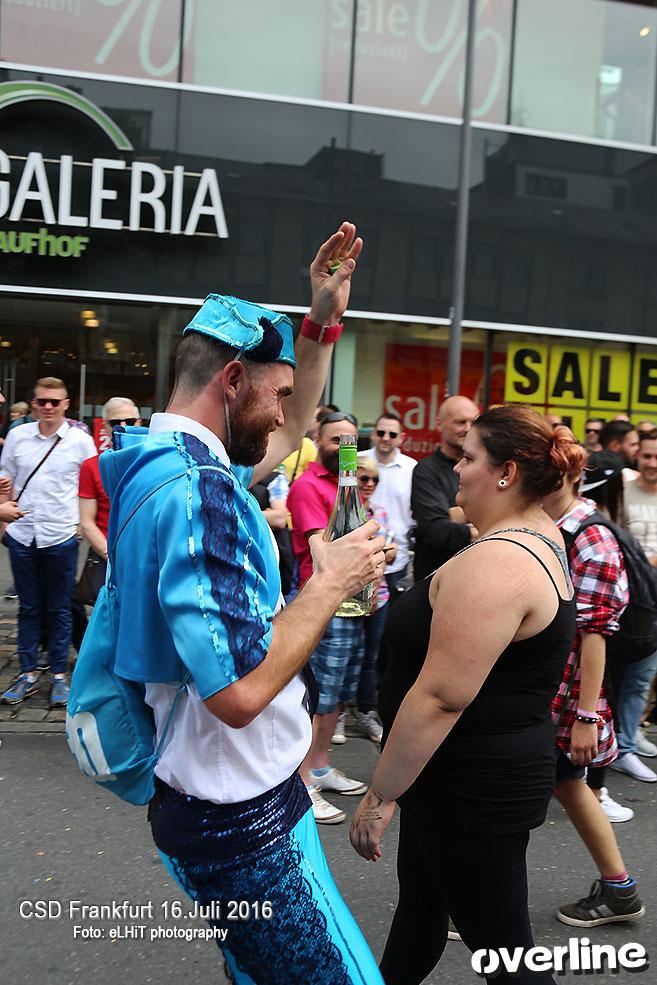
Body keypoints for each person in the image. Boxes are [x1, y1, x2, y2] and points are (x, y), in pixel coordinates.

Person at [98, 223, 386, 984]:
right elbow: (239, 691)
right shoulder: (200, 494)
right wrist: (330, 580)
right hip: (241, 826)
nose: (288, 417)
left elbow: (286, 425)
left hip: (222, 802)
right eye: (275, 390)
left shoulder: (153, 460)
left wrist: (319, 321)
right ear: (231, 379)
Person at [350, 404, 577, 985]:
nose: (456, 471)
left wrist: (380, 796)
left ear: (505, 474)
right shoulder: (526, 538)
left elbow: (441, 697)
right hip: (456, 777)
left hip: (471, 787)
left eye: (469, 458)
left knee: (508, 958)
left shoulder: (500, 560)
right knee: (422, 912)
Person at [543, 450, 644, 925]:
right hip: (549, 688)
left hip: (565, 694)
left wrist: (586, 717)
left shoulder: (591, 537)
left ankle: (483, 905)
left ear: (571, 477)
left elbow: (595, 634)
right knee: (567, 785)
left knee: (521, 791)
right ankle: (620, 890)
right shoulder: (548, 522)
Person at [287, 411, 371, 824]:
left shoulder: (351, 486)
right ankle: (301, 783)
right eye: (337, 440)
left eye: (351, 441)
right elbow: (327, 550)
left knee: (337, 693)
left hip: (353, 598)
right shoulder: (307, 486)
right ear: (318, 439)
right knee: (315, 696)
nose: (344, 448)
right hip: (322, 600)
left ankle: (319, 766)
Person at [0, 377, 96, 707]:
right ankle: (27, 673)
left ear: (67, 404)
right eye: (42, 401)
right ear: (34, 403)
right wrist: (3, 518)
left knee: (59, 608)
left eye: (55, 402)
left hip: (60, 535)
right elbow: (5, 480)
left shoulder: (79, 442)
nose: (48, 407)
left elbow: (93, 484)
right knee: (28, 607)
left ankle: (58, 675)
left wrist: (85, 523)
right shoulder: (17, 436)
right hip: (23, 533)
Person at [74, 397, 142, 650]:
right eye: (115, 422)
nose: (123, 426)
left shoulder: (153, 463)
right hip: (107, 560)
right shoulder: (91, 467)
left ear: (139, 422)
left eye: (129, 420)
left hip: (144, 560)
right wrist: (113, 557)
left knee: (140, 627)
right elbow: (86, 521)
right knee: (107, 629)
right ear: (104, 427)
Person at [609, 428, 657, 781]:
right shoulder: (624, 489)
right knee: (622, 673)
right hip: (631, 595)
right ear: (636, 456)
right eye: (647, 456)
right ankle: (619, 747)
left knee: (643, 677)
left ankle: (628, 736)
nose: (652, 463)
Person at [411, 395, 479, 581]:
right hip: (434, 582)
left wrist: (458, 514)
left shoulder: (484, 468)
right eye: (460, 422)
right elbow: (437, 531)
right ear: (440, 424)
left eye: (473, 422)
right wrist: (483, 520)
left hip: (475, 579)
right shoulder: (426, 471)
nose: (468, 429)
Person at [360, 412, 415, 594]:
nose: (385, 438)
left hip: (397, 561)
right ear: (374, 433)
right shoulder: (357, 461)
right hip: (361, 558)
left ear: (401, 438)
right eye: (381, 432)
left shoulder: (412, 468)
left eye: (392, 434)